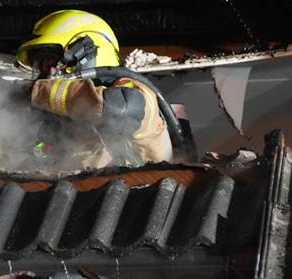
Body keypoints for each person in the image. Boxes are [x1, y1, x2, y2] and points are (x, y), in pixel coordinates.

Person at [15, 10, 174, 168]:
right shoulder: (56, 110)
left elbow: (121, 109)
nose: (47, 73)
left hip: (140, 187)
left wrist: (36, 92)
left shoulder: (131, 89)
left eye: (51, 63)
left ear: (85, 54)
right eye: (42, 65)